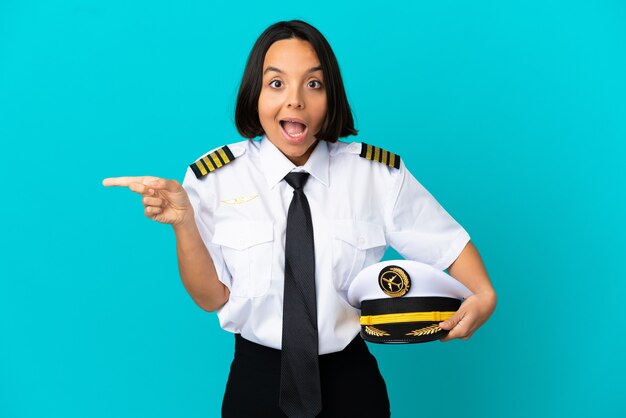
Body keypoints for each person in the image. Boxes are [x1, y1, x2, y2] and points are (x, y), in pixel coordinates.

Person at [103, 20, 497, 418]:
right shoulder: (214, 177)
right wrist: (183, 223)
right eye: (277, 83)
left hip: (350, 380)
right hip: (257, 381)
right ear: (254, 94)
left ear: (331, 97)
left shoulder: (376, 174)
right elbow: (211, 298)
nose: (295, 100)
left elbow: (446, 243)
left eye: (313, 84)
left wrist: (483, 295)